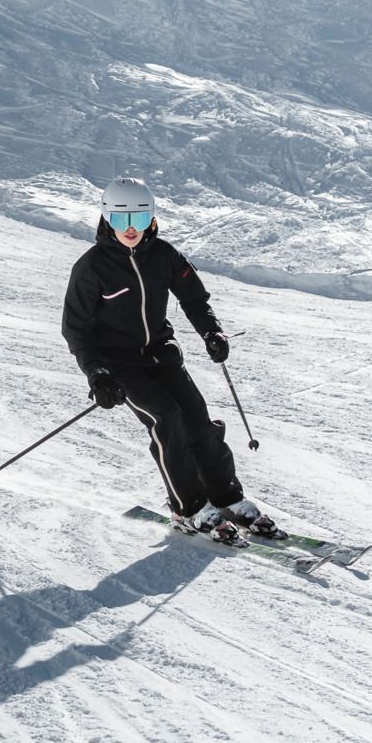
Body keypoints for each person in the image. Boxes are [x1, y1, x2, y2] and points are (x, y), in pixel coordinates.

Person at [61, 178, 273, 539]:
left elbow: (194, 298)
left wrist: (212, 332)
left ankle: (227, 498)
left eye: (140, 220)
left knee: (200, 423)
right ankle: (188, 508)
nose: (130, 229)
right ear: (106, 218)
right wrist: (97, 375)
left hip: (163, 357)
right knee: (167, 421)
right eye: (120, 219)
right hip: (121, 367)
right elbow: (76, 329)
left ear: (152, 218)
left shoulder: (164, 255)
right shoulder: (92, 267)